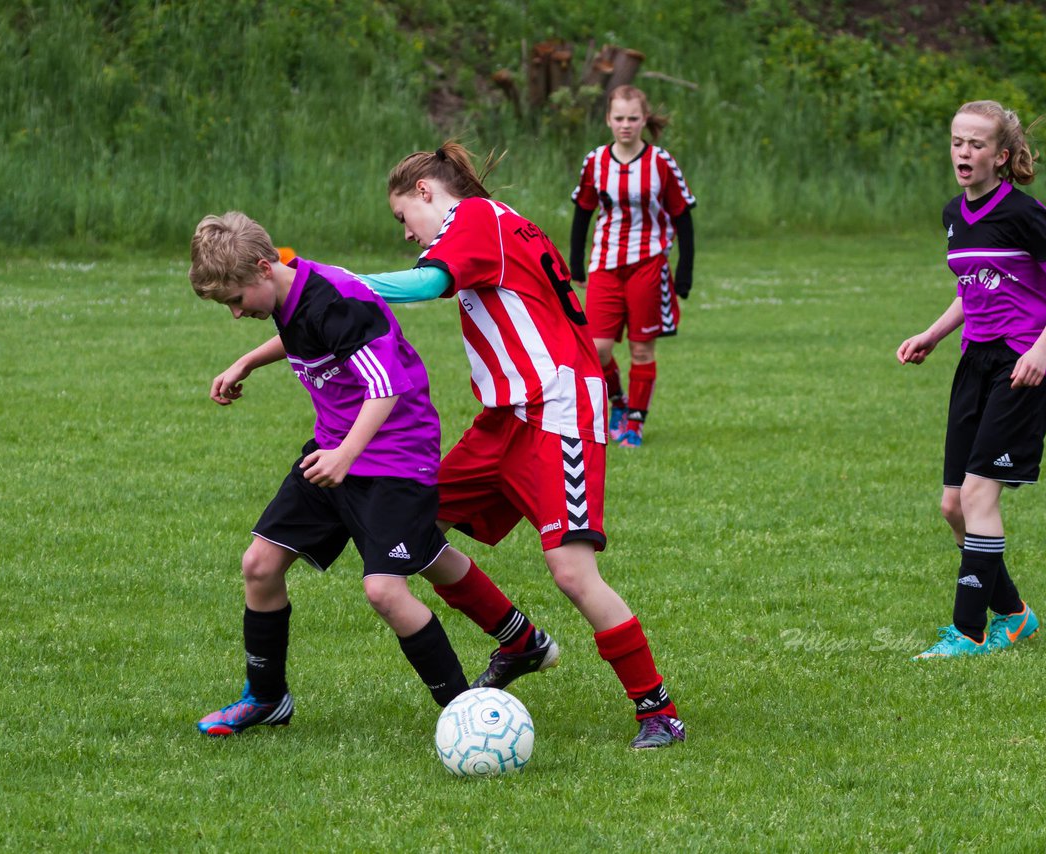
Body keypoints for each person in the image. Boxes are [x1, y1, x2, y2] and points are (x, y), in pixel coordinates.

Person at [354, 142, 686, 748]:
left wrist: (336, 283)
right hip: (505, 416)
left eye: (403, 216)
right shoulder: (490, 223)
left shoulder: (476, 217)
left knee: (571, 571)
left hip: (557, 411)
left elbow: (429, 282)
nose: (407, 233)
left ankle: (656, 709)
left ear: (426, 191)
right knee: (412, 522)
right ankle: (519, 640)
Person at [187, 212, 556, 735]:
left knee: (385, 590)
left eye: (235, 300)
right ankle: (267, 698)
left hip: (396, 456)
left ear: (264, 269)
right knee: (260, 565)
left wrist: (343, 457)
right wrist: (248, 361)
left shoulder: (337, 299)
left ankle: (464, 718)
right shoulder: (290, 290)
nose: (234, 312)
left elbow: (386, 387)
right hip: (337, 447)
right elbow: (306, 338)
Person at [896, 101, 1046, 658]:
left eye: (977, 144)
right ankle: (1013, 613)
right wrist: (932, 335)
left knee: (981, 494)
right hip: (975, 361)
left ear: (1001, 155)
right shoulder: (954, 214)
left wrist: (1041, 348)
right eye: (958, 142)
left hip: (1023, 366)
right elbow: (973, 288)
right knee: (953, 506)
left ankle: (969, 631)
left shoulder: (1026, 214)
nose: (964, 152)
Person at [568, 85, 696, 448]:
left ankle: (635, 423)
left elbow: (682, 216)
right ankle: (618, 402)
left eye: (633, 118)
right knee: (597, 349)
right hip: (605, 264)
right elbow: (583, 211)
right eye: (619, 118)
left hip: (648, 264)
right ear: (608, 119)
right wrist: (576, 263)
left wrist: (684, 270)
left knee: (642, 349)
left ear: (644, 119)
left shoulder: (660, 162)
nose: (626, 125)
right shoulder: (595, 161)